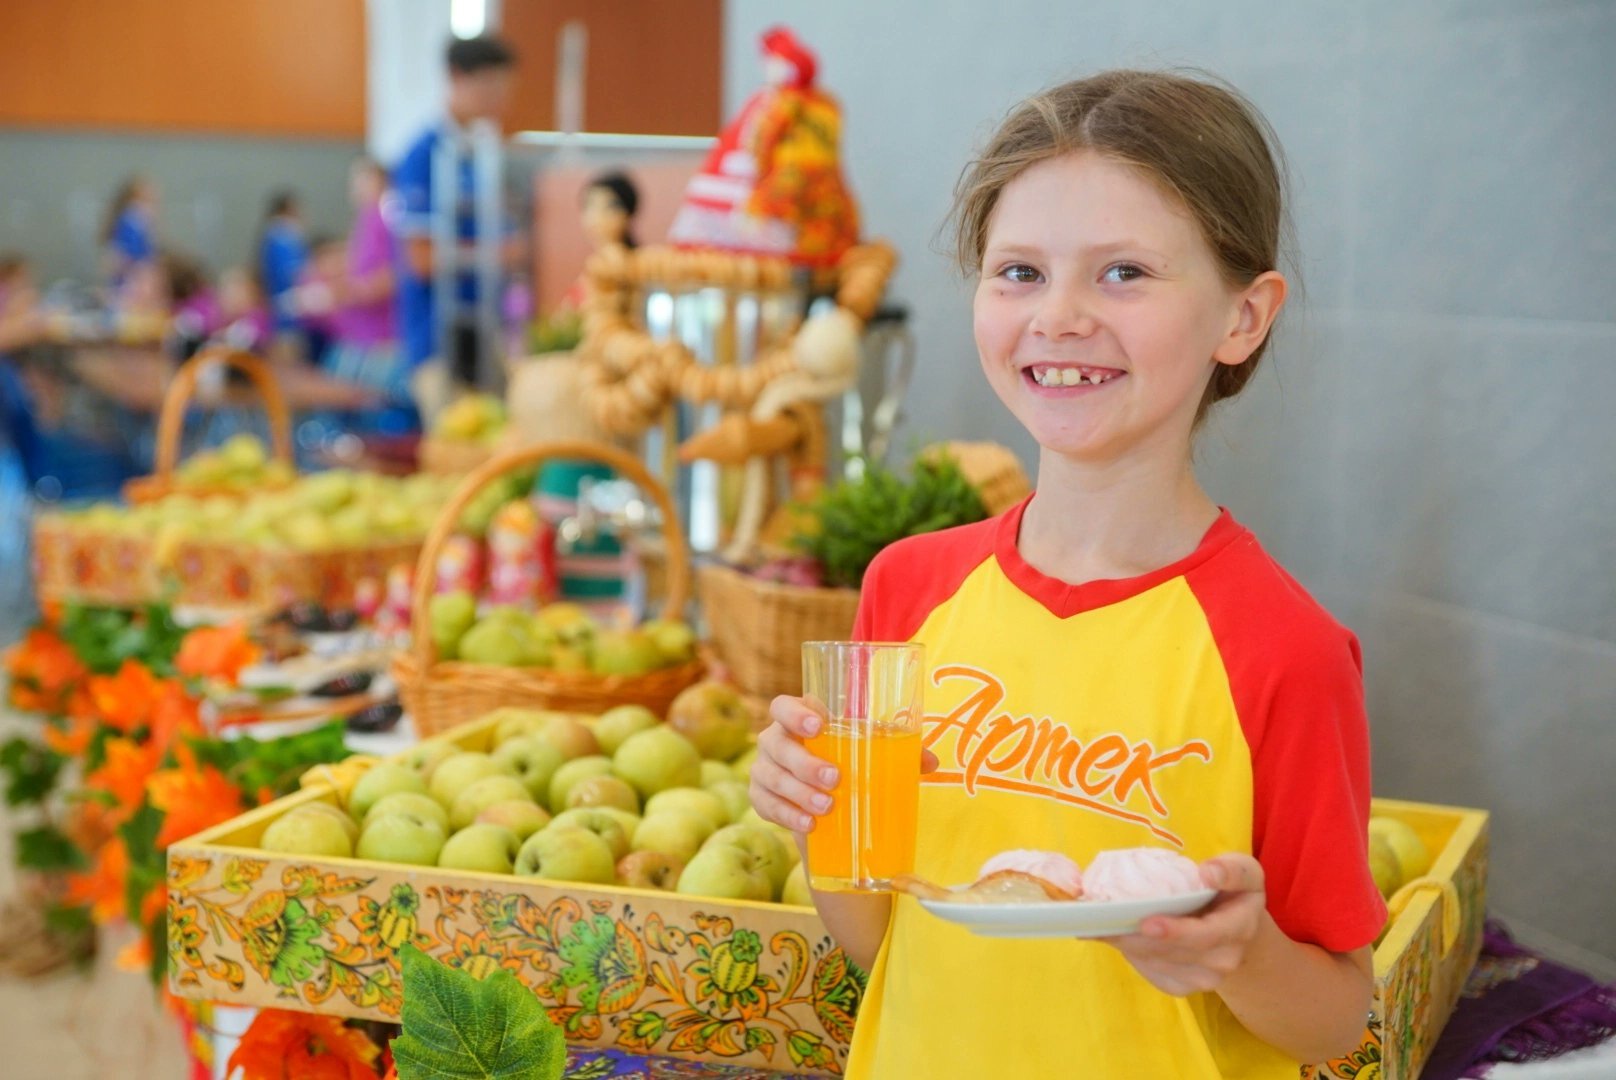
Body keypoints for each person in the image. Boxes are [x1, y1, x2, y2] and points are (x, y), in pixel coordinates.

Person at [748, 70, 1386, 1078]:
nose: (1058, 315)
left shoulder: (1281, 649)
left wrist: (1239, 951)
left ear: (1241, 316)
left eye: (1122, 272)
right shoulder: (906, 590)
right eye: (1017, 272)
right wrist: (815, 816)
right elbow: (883, 943)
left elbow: (1331, 1020)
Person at [392, 33, 521, 424]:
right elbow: (421, 260)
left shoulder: (481, 155)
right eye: (488, 85)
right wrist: (498, 255)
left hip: (485, 337)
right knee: (452, 450)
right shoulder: (423, 154)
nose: (497, 98)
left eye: (503, 87)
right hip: (436, 343)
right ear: (456, 78)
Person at [256, 189, 310, 355]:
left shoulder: (271, 237)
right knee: (289, 351)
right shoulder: (283, 236)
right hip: (288, 306)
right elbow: (294, 272)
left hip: (280, 305)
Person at [101, 174, 158, 287]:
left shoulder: (135, 224)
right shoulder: (131, 224)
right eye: (147, 200)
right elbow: (127, 259)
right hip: (130, 285)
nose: (153, 206)